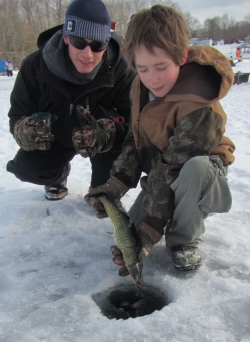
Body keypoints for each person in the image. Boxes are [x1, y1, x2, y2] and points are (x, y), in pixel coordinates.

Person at [84, 5, 235, 273]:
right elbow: (134, 139)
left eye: (161, 67)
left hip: (200, 175)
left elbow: (175, 168)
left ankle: (184, 240)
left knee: (193, 171)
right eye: (142, 68)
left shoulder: (199, 104)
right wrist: (116, 185)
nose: (152, 78)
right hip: (162, 169)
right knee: (130, 237)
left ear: (182, 55)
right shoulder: (139, 87)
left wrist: (151, 227)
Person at [6, 0, 136, 200]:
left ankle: (101, 188)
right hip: (54, 140)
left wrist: (108, 134)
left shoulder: (122, 72)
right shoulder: (34, 66)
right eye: (79, 43)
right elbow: (17, 115)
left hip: (101, 145)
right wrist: (25, 130)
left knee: (105, 195)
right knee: (26, 169)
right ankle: (58, 177)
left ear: (106, 43)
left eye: (97, 46)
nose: (88, 54)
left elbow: (134, 123)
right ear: (66, 37)